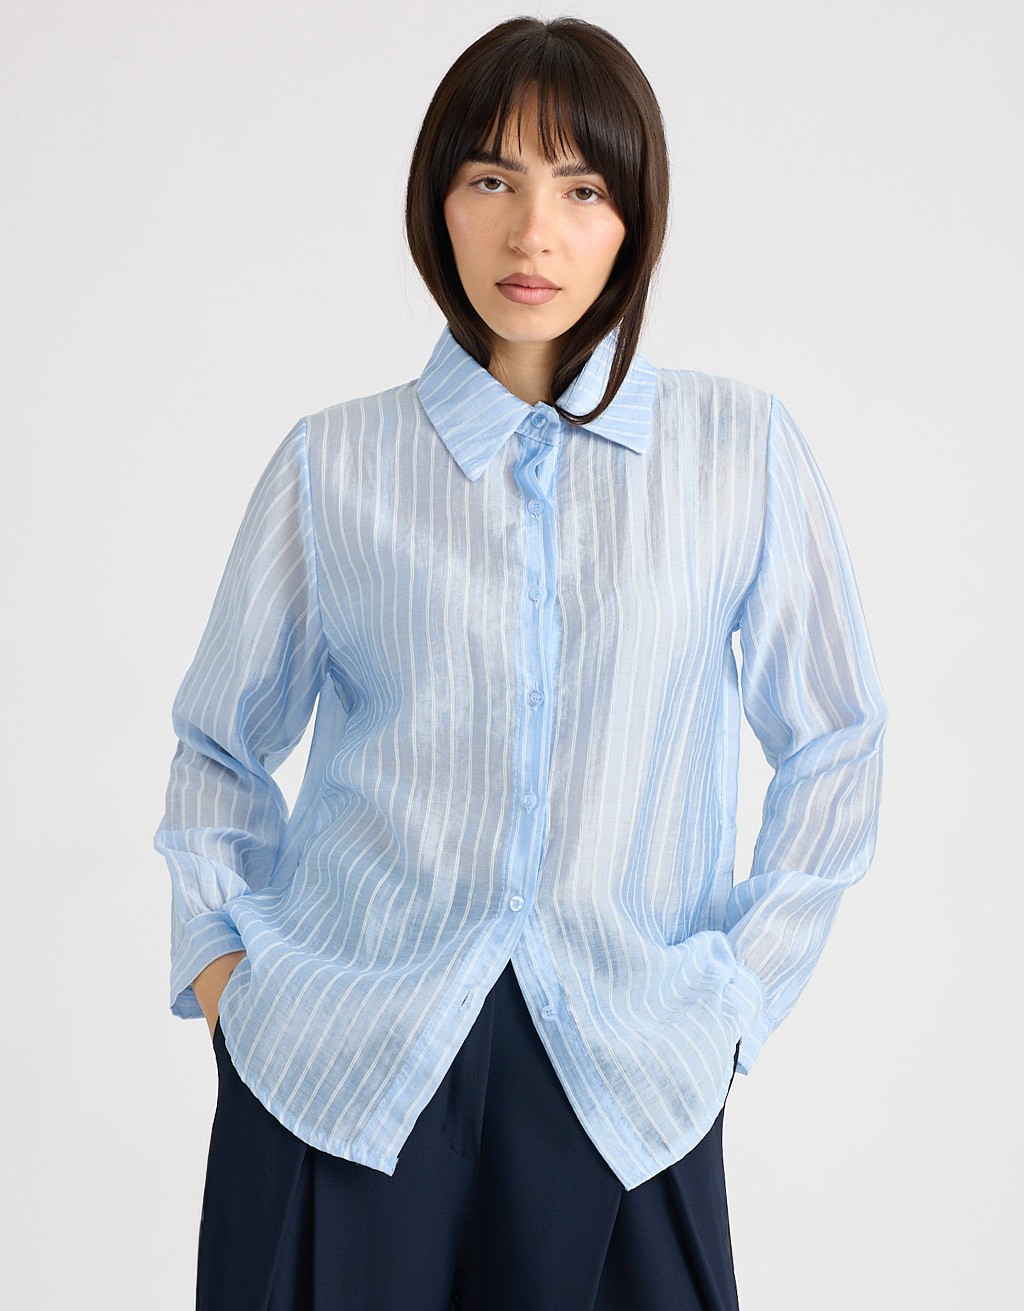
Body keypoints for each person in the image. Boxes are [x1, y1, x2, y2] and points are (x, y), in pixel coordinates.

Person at [154, 14, 888, 1311]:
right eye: (491, 179)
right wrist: (227, 974)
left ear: (634, 217)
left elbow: (838, 739)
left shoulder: (738, 453)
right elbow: (220, 747)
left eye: (582, 188)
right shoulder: (335, 464)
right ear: (438, 203)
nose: (532, 233)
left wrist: (737, 996)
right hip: (344, 1066)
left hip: (626, 1073)